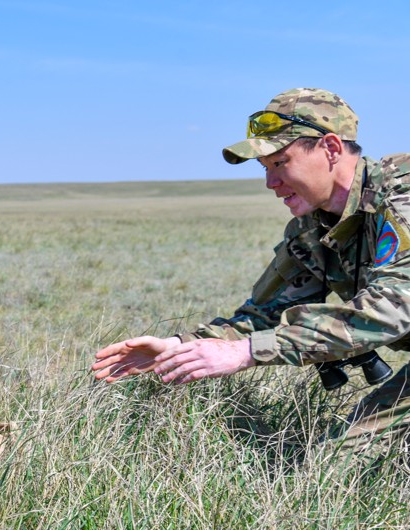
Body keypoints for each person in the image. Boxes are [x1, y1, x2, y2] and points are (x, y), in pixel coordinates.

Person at [92, 88, 410, 458]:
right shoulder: (311, 229)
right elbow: (262, 315)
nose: (271, 183)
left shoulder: (400, 195)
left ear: (331, 148)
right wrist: (180, 347)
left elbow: (392, 308)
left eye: (281, 163)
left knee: (349, 469)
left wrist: (247, 352)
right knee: (336, 465)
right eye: (265, 168)